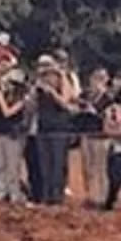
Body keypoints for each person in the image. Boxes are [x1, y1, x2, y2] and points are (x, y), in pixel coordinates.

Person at [30, 57, 75, 205]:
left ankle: (57, 196)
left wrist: (53, 93)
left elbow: (66, 104)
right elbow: (32, 107)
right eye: (46, 75)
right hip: (43, 128)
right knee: (45, 164)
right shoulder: (40, 89)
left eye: (51, 75)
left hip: (59, 129)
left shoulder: (63, 85)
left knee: (57, 163)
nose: (49, 78)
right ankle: (46, 195)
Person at [0, 71, 29, 204]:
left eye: (11, 83)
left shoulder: (22, 99)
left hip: (13, 135)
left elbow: (7, 113)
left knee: (12, 166)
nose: (8, 86)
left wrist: (0, 97)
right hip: (0, 132)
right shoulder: (4, 96)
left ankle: (14, 193)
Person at [78, 68, 114, 209]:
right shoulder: (86, 96)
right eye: (95, 79)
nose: (96, 82)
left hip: (102, 136)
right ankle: (91, 195)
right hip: (86, 134)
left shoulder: (109, 98)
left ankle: (102, 197)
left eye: (101, 79)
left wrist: (94, 111)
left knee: (101, 167)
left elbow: (111, 117)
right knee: (88, 167)